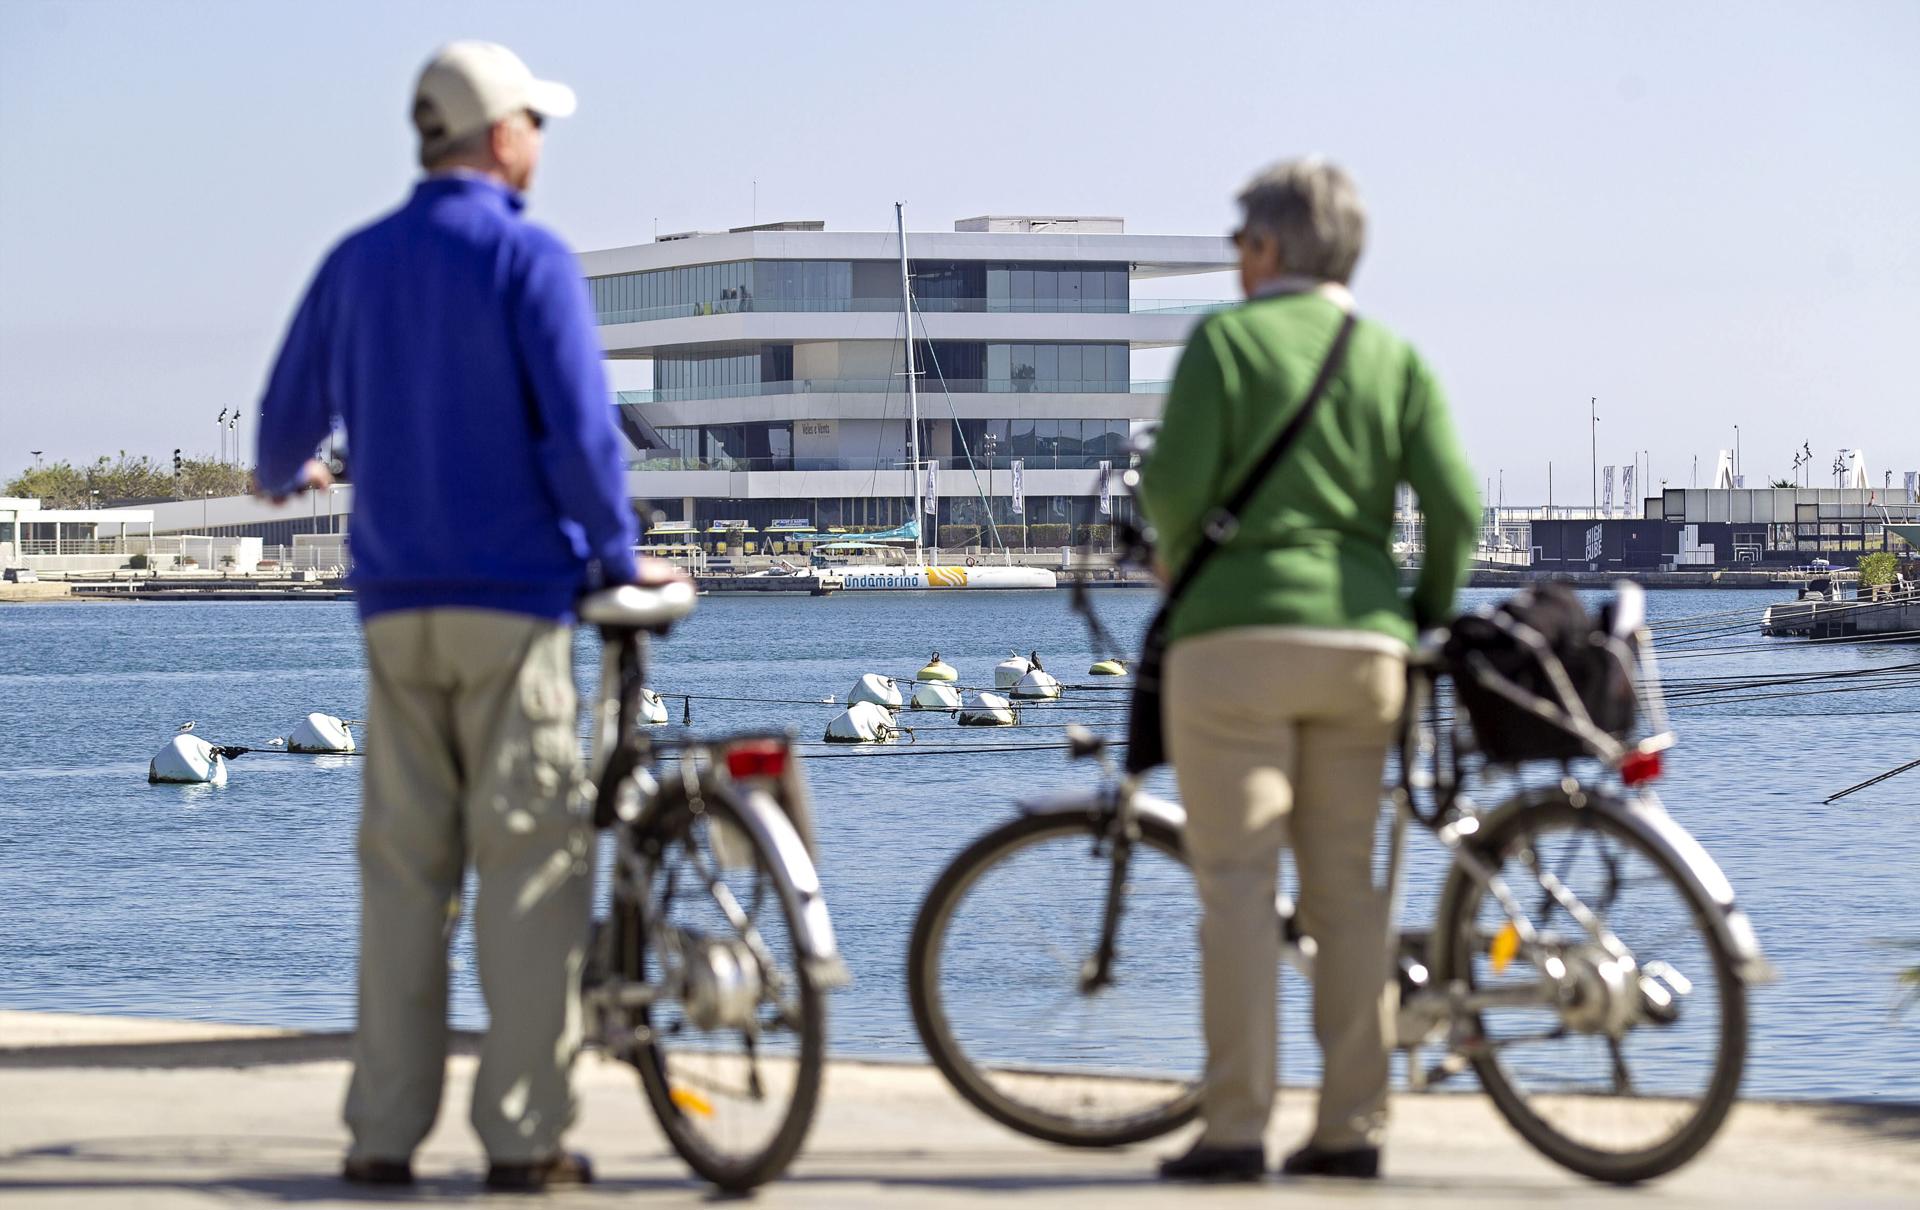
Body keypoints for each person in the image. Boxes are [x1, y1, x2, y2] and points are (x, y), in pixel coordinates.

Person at [254, 41, 674, 1192]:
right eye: (535, 122)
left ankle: (382, 1134)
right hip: (514, 610)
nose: (540, 141)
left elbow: (279, 435)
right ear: (501, 136)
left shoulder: (356, 260)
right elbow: (584, 441)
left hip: (394, 612)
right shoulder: (526, 255)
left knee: (402, 877)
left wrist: (289, 472)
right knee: (529, 872)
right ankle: (523, 1137)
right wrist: (619, 559)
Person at [1136, 158, 1478, 1183]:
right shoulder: (1392, 358)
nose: (1238, 260)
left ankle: (1237, 1124)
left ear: (1270, 247)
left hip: (1231, 644)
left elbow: (1175, 490)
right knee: (1348, 895)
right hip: (1366, 650)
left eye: (1242, 240)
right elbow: (1457, 507)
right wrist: (1416, 615)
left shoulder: (1227, 343)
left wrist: (1177, 540)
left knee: (1238, 882)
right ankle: (1349, 1128)